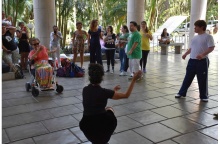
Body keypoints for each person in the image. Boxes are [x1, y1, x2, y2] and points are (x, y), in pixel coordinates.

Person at [79, 63, 142, 144]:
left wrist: (113, 91)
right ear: (102, 77)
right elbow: (126, 95)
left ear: (90, 76)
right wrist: (133, 79)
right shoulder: (104, 92)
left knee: (99, 113)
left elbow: (96, 97)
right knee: (109, 109)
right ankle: (102, 137)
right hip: (103, 130)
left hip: (87, 127)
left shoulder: (85, 90)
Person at [175, 20, 215, 102]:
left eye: (196, 26)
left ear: (202, 27)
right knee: (187, 78)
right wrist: (185, 54)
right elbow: (191, 48)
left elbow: (211, 47)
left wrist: (202, 55)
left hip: (202, 61)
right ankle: (181, 93)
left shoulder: (208, 37)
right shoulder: (195, 37)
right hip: (192, 61)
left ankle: (204, 96)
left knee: (202, 79)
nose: (194, 28)